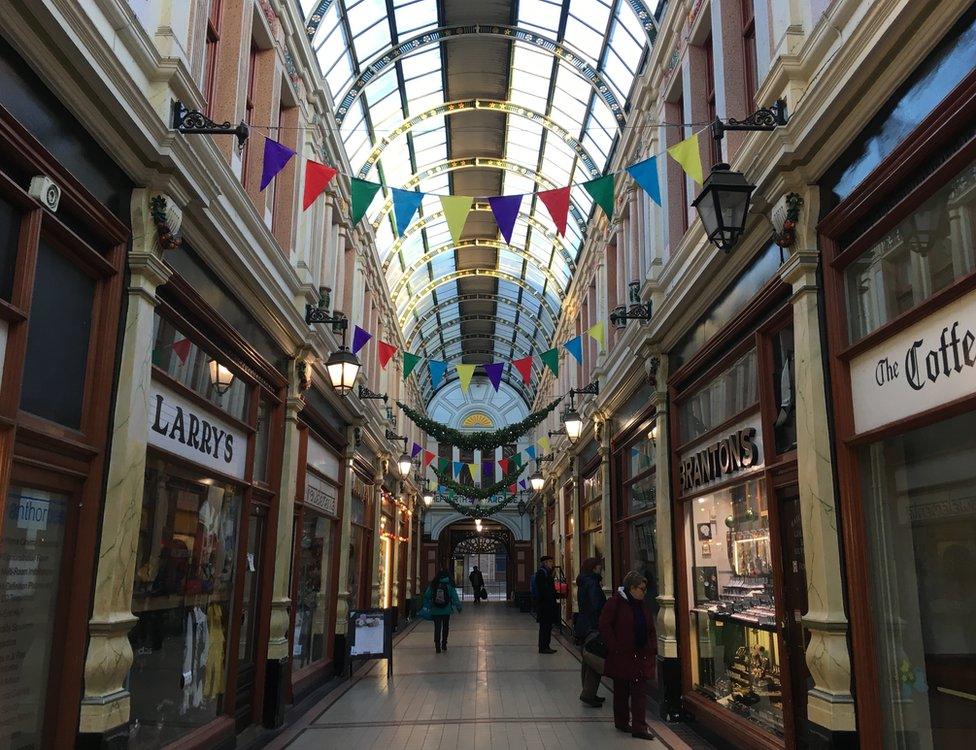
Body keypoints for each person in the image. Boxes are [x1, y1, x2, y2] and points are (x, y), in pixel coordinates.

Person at [599, 570, 655, 741]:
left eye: (645, 589)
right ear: (631, 588)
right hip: (622, 655)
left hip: (640, 654)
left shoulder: (642, 605)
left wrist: (652, 647)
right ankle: (622, 721)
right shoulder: (615, 603)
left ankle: (639, 726)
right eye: (641, 589)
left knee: (639, 691)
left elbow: (650, 628)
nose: (644, 592)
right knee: (621, 689)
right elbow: (604, 625)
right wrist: (614, 646)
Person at [575, 557, 607, 706]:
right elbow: (595, 605)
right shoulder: (592, 583)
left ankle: (588, 691)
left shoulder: (583, 581)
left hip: (584, 624)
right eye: (599, 566)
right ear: (594, 568)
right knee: (595, 659)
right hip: (592, 626)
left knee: (588, 659)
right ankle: (589, 694)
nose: (601, 568)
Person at [423, 569, 461, 653]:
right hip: (446, 610)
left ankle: (437, 646)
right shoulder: (449, 584)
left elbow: (427, 595)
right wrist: (458, 607)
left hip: (435, 610)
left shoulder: (434, 584)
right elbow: (454, 597)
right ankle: (444, 644)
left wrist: (428, 604)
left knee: (437, 627)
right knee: (445, 627)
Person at [534, 555, 559, 654]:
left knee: (547, 627)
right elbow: (544, 590)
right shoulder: (542, 573)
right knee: (545, 627)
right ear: (545, 563)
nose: (552, 564)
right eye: (550, 562)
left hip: (547, 605)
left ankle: (546, 646)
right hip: (545, 606)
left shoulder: (546, 573)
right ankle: (543, 647)